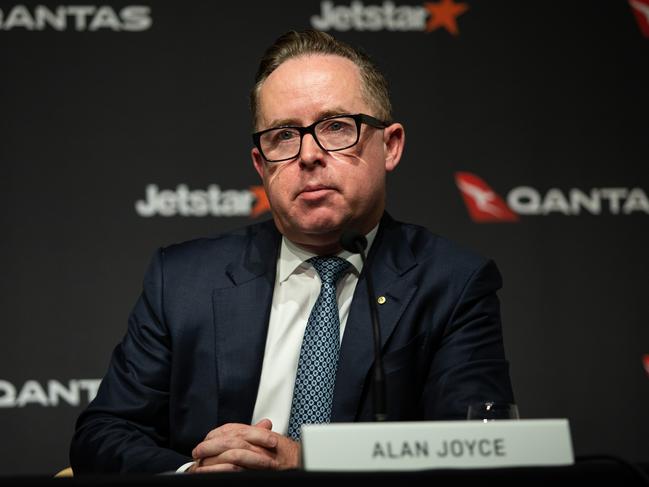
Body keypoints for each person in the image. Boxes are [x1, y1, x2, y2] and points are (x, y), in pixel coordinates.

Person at [70, 29, 514, 474]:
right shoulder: (184, 279)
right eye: (284, 135)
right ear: (261, 165)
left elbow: (476, 447)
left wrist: (307, 464)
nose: (308, 155)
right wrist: (194, 475)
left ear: (390, 145)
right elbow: (105, 432)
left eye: (336, 127)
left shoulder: (452, 282)